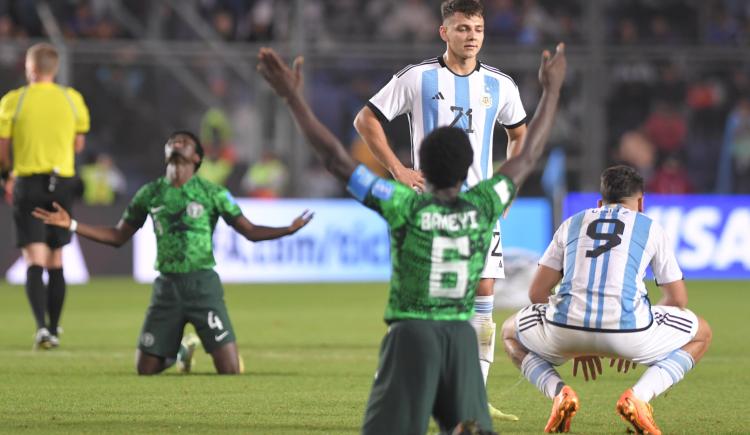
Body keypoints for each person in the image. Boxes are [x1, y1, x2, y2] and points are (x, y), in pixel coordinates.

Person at [256, 40, 564, 435]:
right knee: (470, 427)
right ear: (470, 165)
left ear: (424, 164)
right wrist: (552, 89)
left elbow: (335, 159)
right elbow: (528, 155)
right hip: (459, 340)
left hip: (412, 336)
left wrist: (292, 98)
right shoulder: (484, 207)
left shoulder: (404, 205)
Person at [353, 1, 528, 418]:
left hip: (477, 209)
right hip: (428, 206)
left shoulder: (500, 84)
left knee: (485, 291)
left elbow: (520, 135)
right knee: (424, 300)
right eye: (463, 27)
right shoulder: (418, 78)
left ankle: (476, 391)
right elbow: (366, 120)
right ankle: (412, 384)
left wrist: (510, 187)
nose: (472, 35)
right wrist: (397, 169)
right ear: (443, 32)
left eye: (479, 28)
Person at [32, 131, 313, 375]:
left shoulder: (212, 193)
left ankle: (205, 346)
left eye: (185, 141)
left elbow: (249, 230)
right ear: (166, 153)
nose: (177, 142)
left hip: (202, 285)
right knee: (145, 370)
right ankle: (181, 351)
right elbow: (118, 236)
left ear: (196, 158)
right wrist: (72, 224)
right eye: (173, 141)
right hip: (167, 287)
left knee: (229, 370)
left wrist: (287, 230)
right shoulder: (150, 193)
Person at [500, 165, 713, 434]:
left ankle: (559, 392)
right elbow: (677, 298)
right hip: (631, 332)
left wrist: (579, 335)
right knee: (702, 333)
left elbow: (536, 294)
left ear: (600, 203)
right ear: (641, 203)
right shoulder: (650, 227)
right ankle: (639, 397)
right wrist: (637, 324)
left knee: (510, 332)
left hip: (565, 330)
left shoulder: (573, 222)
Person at [0, 42, 90, 350]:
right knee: (56, 258)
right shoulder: (72, 99)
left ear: (31, 68)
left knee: (34, 258)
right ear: (55, 68)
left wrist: (6, 176)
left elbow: (3, 147)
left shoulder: (14, 101)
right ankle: (55, 326)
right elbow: (79, 144)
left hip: (27, 182)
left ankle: (41, 329)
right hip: (61, 183)